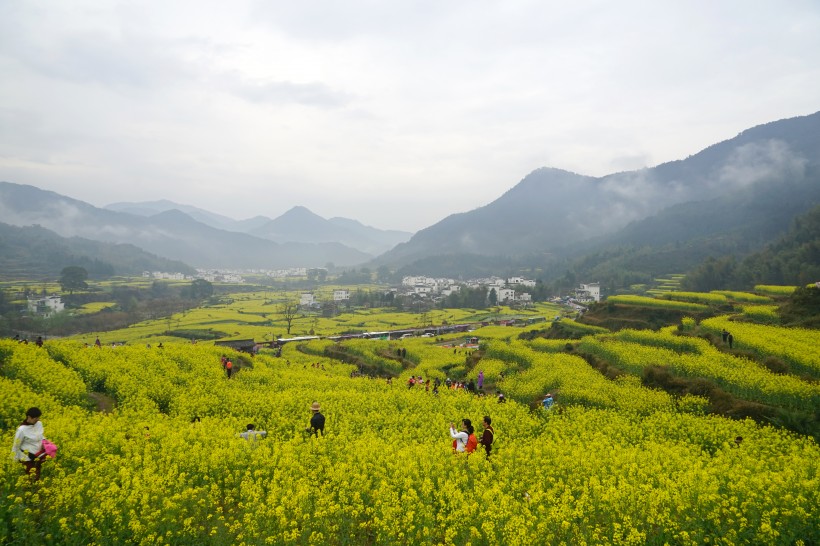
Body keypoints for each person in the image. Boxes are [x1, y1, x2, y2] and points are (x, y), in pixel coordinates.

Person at [11, 407, 47, 480]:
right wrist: (13, 461)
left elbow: (41, 435)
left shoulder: (39, 424)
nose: (38, 420)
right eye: (35, 418)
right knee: (30, 479)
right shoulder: (22, 430)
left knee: (37, 477)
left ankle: (36, 490)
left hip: (39, 455)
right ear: (29, 417)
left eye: (38, 417)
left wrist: (44, 442)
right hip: (27, 458)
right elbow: (16, 445)